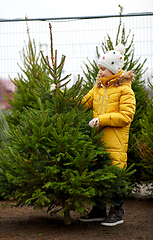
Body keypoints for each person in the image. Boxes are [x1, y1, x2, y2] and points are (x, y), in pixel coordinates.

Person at [78, 43, 136, 226]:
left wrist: (102, 119)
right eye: (100, 69)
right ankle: (98, 210)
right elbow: (81, 103)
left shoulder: (125, 90)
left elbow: (126, 116)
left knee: (115, 178)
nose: (100, 72)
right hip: (99, 142)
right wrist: (61, 94)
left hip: (116, 142)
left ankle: (117, 213)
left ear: (113, 69)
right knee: (98, 175)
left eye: (103, 69)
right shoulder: (98, 89)